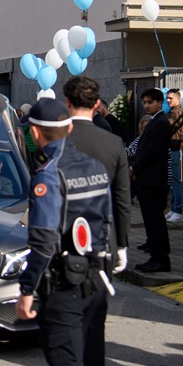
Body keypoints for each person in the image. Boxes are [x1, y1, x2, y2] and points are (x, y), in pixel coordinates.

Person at [15, 98, 115, 366]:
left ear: (34, 133)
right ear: (69, 127)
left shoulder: (49, 174)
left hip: (65, 284)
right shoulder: (95, 166)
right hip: (97, 278)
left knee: (67, 363)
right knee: (90, 360)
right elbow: (107, 219)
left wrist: (26, 289)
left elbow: (44, 242)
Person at [63, 76, 131, 278]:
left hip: (62, 234)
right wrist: (121, 244)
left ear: (67, 102)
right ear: (97, 105)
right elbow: (122, 198)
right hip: (102, 233)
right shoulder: (113, 143)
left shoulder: (54, 141)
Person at [130, 88, 172, 273]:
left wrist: (134, 168)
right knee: (149, 219)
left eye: (150, 102)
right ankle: (155, 255)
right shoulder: (155, 122)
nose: (146, 106)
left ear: (159, 102)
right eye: (144, 102)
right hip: (147, 179)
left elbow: (150, 151)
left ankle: (161, 258)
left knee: (155, 220)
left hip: (154, 180)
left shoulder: (161, 123)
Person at [164, 88, 183, 222]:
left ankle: (178, 210)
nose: (168, 100)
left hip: (174, 148)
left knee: (175, 182)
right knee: (172, 181)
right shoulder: (171, 112)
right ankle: (173, 208)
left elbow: (167, 126)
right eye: (167, 98)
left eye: (170, 98)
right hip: (170, 149)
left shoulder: (177, 112)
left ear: (178, 99)